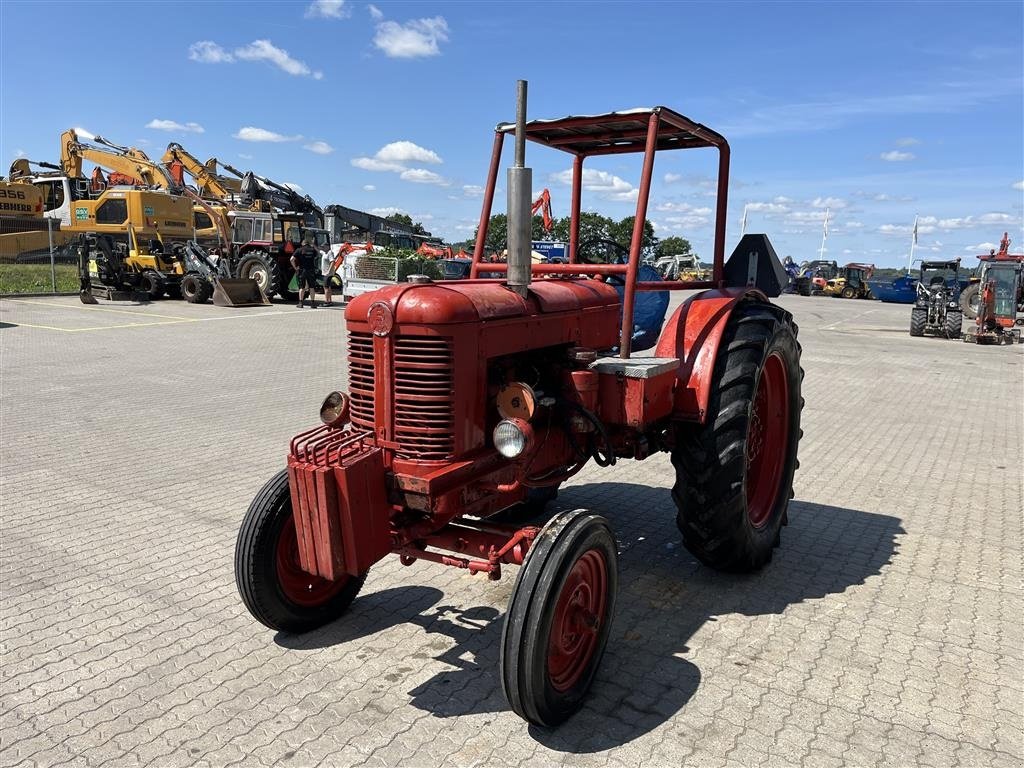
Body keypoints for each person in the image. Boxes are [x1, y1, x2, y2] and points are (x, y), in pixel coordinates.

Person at [290, 233, 319, 309]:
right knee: (312, 287)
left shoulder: (299, 250)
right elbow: (318, 253)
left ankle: (301, 303)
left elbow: (291, 259)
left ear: (303, 242)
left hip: (302, 271)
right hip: (311, 270)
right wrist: (313, 245)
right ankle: (312, 303)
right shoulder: (312, 250)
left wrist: (295, 268)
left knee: (302, 287)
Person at [320, 241, 336, 306]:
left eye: (324, 247)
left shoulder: (330, 252)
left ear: (327, 246)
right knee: (328, 287)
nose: (323, 248)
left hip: (327, 274)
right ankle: (330, 301)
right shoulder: (324, 253)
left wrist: (328, 271)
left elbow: (332, 262)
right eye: (322, 247)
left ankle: (326, 302)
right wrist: (313, 245)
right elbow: (319, 250)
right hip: (325, 273)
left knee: (325, 287)